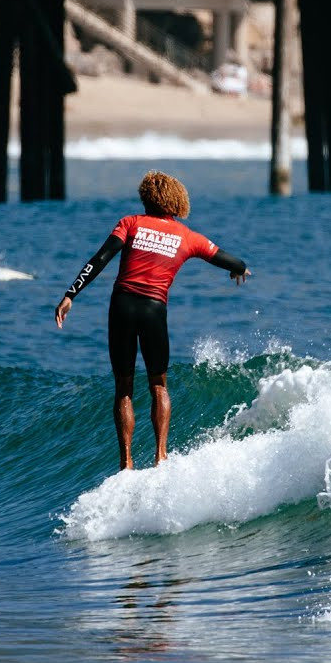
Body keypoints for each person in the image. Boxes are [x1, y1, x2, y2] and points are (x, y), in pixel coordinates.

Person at [55, 170, 250, 471]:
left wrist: (71, 295)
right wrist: (238, 269)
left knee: (124, 387)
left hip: (121, 306)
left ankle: (127, 462)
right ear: (176, 202)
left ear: (146, 198)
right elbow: (232, 260)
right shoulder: (188, 237)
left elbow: (100, 259)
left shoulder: (130, 223)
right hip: (153, 310)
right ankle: (160, 456)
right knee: (158, 385)